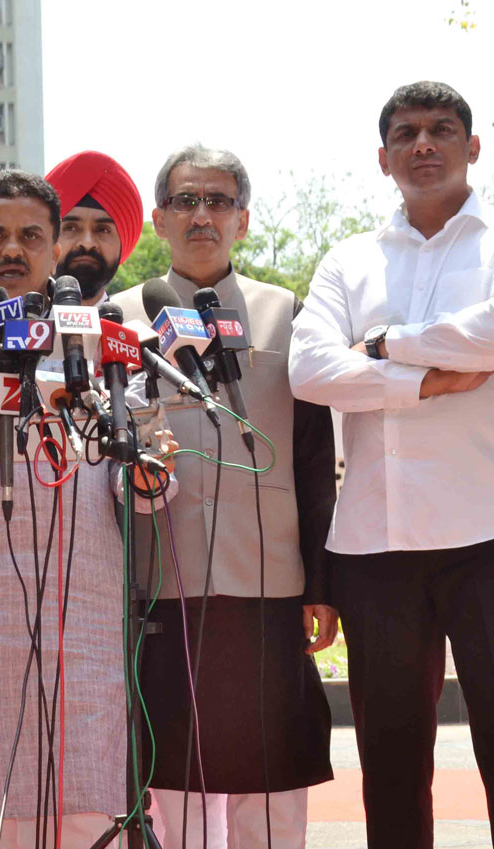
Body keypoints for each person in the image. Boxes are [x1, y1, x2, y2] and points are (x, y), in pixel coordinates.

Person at [289, 81, 494, 849]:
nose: (422, 143)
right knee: (390, 763)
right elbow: (309, 370)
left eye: (441, 129)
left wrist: (389, 345)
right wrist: (426, 379)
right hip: (377, 547)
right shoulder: (349, 259)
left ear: (473, 146)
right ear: (384, 155)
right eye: (405, 132)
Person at [0, 169, 171, 849]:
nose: (12, 250)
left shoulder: (101, 347)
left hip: (75, 633)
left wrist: (148, 476)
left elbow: (144, 484)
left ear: (57, 252)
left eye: (31, 236)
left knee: (82, 814)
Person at [113, 145, 336, 849]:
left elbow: (312, 456)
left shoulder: (286, 313)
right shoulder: (119, 316)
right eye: (185, 200)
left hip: (267, 580)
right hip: (159, 582)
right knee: (171, 782)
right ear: (158, 219)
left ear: (242, 217)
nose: (201, 214)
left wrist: (322, 585)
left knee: (270, 787)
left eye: (217, 201)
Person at [46, 150, 144, 303]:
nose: (87, 243)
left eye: (102, 230)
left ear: (122, 245)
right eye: (71, 228)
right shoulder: (16, 324)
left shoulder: (140, 325)